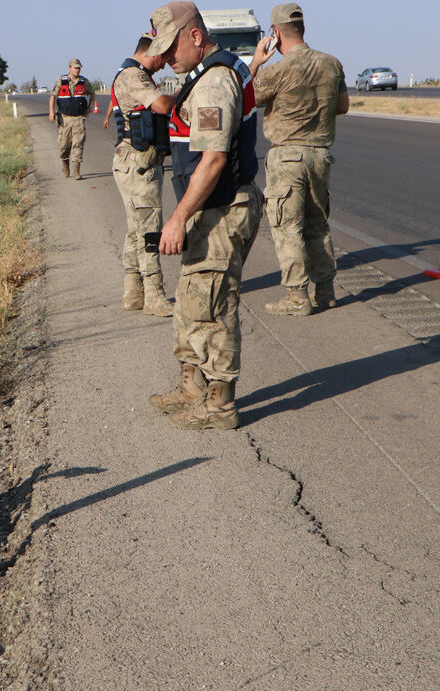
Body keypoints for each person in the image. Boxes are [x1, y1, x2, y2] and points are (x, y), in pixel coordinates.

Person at [144, 1, 263, 430]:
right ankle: (192, 385)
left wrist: (176, 219)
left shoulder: (214, 81)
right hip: (207, 207)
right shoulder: (200, 76)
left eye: (171, 47)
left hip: (222, 208)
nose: (166, 57)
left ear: (196, 36)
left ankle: (220, 405)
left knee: (213, 305)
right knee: (193, 299)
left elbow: (213, 160)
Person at [248, 2, 349, 316]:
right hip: (320, 155)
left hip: (287, 157)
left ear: (275, 34)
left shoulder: (277, 70)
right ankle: (326, 291)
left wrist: (255, 63)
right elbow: (343, 106)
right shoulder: (331, 64)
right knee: (318, 225)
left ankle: (297, 297)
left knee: (287, 227)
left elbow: (242, 98)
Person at [104, 34, 175, 317]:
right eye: (163, 58)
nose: (164, 65)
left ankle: (133, 292)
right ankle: (154, 296)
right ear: (151, 52)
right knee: (148, 230)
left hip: (132, 162)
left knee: (135, 229)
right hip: (139, 164)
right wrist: (183, 94)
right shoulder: (134, 75)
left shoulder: (132, 73)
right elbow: (161, 106)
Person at [49, 59, 96, 180]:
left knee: (78, 144)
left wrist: (89, 109)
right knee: (64, 145)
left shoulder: (83, 82)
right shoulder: (62, 81)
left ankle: (76, 170)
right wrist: (51, 112)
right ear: (69, 68)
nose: (77, 70)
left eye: (79, 68)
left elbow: (92, 93)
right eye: (75, 68)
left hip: (78, 118)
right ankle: (65, 164)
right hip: (64, 118)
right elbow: (53, 97)